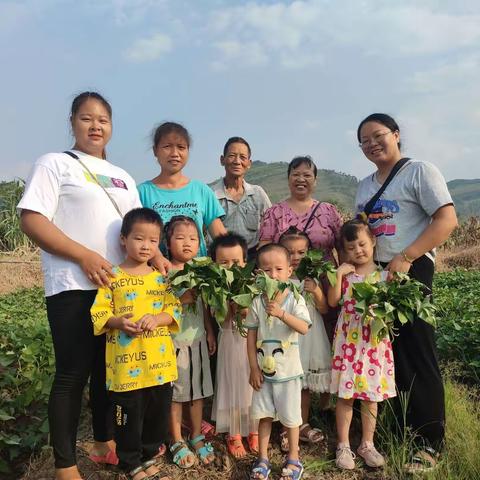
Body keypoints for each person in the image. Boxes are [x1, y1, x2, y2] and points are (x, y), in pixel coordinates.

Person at [18, 92, 141, 480]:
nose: (95, 126)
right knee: (73, 373)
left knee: (108, 371)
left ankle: (105, 443)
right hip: (72, 284)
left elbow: (136, 229)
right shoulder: (55, 163)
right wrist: (83, 256)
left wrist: (157, 261)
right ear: (72, 121)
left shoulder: (124, 175)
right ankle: (65, 465)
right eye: (87, 118)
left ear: (111, 126)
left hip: (115, 289)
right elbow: (32, 219)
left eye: (103, 119)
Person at [355, 113, 458, 473]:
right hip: (377, 275)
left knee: (417, 352)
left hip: (411, 270)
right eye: (364, 141)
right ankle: (398, 431)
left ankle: (429, 443)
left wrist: (407, 256)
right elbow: (362, 232)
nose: (372, 144)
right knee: (386, 354)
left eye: (377, 135)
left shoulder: (419, 171)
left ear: (396, 134)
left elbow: (446, 219)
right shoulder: (365, 185)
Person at [91, 208, 178, 480]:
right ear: (123, 239)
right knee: (127, 416)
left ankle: (149, 455)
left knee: (156, 415)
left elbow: (173, 310)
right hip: (125, 369)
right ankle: (129, 462)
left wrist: (157, 318)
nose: (146, 246)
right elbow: (99, 312)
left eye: (153, 241)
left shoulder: (161, 278)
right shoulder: (112, 277)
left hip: (159, 365)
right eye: (139, 239)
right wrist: (118, 322)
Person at [328, 218, 396, 470]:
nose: (358, 250)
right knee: (345, 396)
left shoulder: (385, 276)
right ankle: (343, 445)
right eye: (351, 247)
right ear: (343, 251)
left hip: (373, 346)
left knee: (370, 397)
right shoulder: (346, 276)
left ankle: (367, 443)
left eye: (362, 244)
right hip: (348, 344)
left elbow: (391, 312)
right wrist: (337, 274)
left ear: (373, 242)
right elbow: (333, 302)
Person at [246, 244, 311, 480]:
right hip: (263, 373)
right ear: (259, 273)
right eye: (266, 269)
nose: (273, 275)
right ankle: (262, 458)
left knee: (291, 417)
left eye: (278, 269)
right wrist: (253, 367)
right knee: (264, 415)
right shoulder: (256, 302)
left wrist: (282, 314)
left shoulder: (295, 299)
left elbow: (304, 327)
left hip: (289, 373)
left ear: (289, 271)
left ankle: (293, 459)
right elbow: (251, 336)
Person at [164, 216, 216, 468]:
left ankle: (196, 434)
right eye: (180, 237)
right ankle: (175, 438)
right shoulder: (163, 272)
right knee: (175, 395)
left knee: (197, 392)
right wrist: (178, 301)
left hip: (196, 340)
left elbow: (204, 305)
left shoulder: (200, 270)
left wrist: (209, 331)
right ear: (168, 241)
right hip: (172, 342)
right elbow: (154, 305)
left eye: (193, 238)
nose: (187, 243)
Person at [138, 122, 226, 256]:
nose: (175, 153)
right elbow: (134, 236)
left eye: (181, 147)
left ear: (188, 150)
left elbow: (220, 237)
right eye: (167, 146)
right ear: (155, 150)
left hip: (197, 275)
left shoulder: (201, 190)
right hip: (156, 274)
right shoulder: (142, 192)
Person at [279, 228, 331, 452]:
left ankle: (302, 422)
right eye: (290, 252)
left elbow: (324, 308)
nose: (296, 256)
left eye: (301, 252)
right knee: (284, 383)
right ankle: (284, 427)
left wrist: (317, 291)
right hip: (286, 337)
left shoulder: (312, 278)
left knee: (303, 385)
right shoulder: (278, 278)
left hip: (310, 335)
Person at [209, 233, 259, 458]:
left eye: (236, 262)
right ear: (215, 265)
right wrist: (230, 307)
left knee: (252, 386)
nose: (231, 267)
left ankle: (254, 428)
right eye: (224, 263)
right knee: (232, 385)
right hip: (230, 339)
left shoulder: (253, 285)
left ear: (245, 263)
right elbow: (218, 317)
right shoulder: (214, 287)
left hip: (251, 340)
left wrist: (245, 307)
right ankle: (235, 432)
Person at [258, 155, 342, 258]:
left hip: (325, 274)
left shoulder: (329, 211)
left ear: (315, 180)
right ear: (288, 178)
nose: (301, 179)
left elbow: (343, 247)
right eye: (296, 174)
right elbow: (265, 251)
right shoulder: (274, 213)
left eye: (307, 175)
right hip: (286, 274)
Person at [210, 137, 271, 260]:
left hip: (252, 258)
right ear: (222, 160)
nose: (237, 161)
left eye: (243, 157)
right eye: (232, 156)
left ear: (249, 163)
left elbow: (271, 225)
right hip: (221, 260)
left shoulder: (258, 193)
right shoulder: (211, 194)